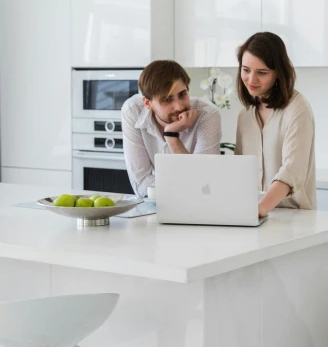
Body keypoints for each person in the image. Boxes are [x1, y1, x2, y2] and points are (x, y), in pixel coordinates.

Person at [235, 32, 316, 217]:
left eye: (262, 73)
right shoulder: (245, 115)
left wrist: (261, 208)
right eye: (246, 70)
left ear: (278, 72)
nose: (251, 79)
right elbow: (241, 171)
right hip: (253, 216)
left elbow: (292, 171)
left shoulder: (297, 109)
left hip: (295, 218)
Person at [122, 60, 222, 197]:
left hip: (199, 209)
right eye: (167, 99)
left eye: (182, 95)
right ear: (147, 103)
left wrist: (171, 136)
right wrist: (186, 186)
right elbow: (141, 185)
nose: (179, 106)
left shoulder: (207, 114)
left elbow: (204, 183)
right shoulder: (133, 111)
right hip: (155, 208)